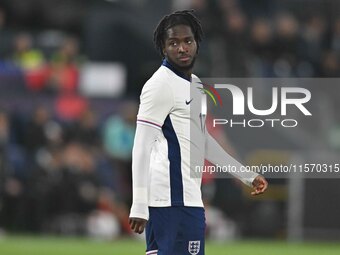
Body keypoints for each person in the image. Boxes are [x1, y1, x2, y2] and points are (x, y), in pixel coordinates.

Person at [129, 10, 268, 255]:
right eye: (173, 43)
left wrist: (245, 175)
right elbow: (141, 145)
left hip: (188, 199)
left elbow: (202, 141)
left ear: (197, 44)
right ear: (163, 48)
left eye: (187, 41)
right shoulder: (159, 84)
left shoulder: (195, 85)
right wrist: (139, 204)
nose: (182, 48)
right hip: (170, 201)